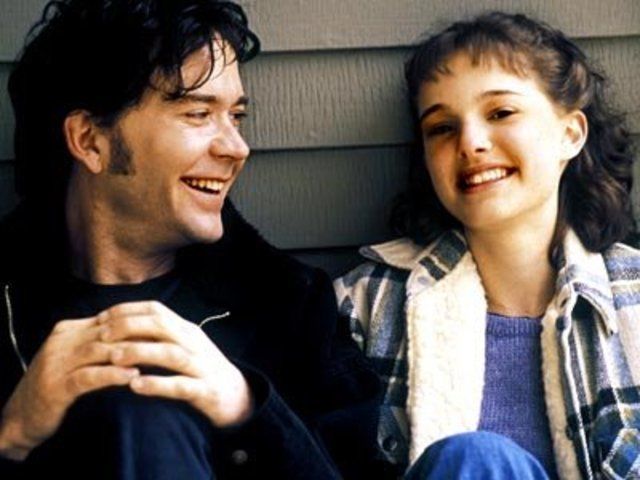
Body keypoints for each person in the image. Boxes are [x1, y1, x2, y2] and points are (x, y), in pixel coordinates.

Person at [0, 1, 381, 478]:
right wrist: (12, 432)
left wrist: (248, 408)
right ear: (91, 140)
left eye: (236, 116)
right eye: (199, 114)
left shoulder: (292, 306)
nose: (237, 148)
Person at [335, 11, 638, 479]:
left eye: (500, 113)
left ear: (570, 134)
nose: (471, 143)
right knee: (476, 460)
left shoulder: (633, 304)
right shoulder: (364, 306)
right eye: (442, 127)